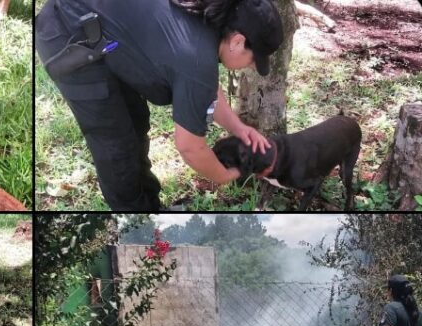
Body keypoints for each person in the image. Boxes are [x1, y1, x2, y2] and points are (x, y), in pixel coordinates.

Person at [36, 0, 284, 211]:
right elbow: (190, 148)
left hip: (103, 32)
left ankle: (151, 207)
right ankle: (136, 219)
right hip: (68, 35)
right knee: (116, 147)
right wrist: (223, 175)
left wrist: (238, 127)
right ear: (238, 41)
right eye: (254, 60)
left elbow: (204, 88)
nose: (252, 66)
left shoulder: (209, 19)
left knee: (135, 123)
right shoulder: (196, 58)